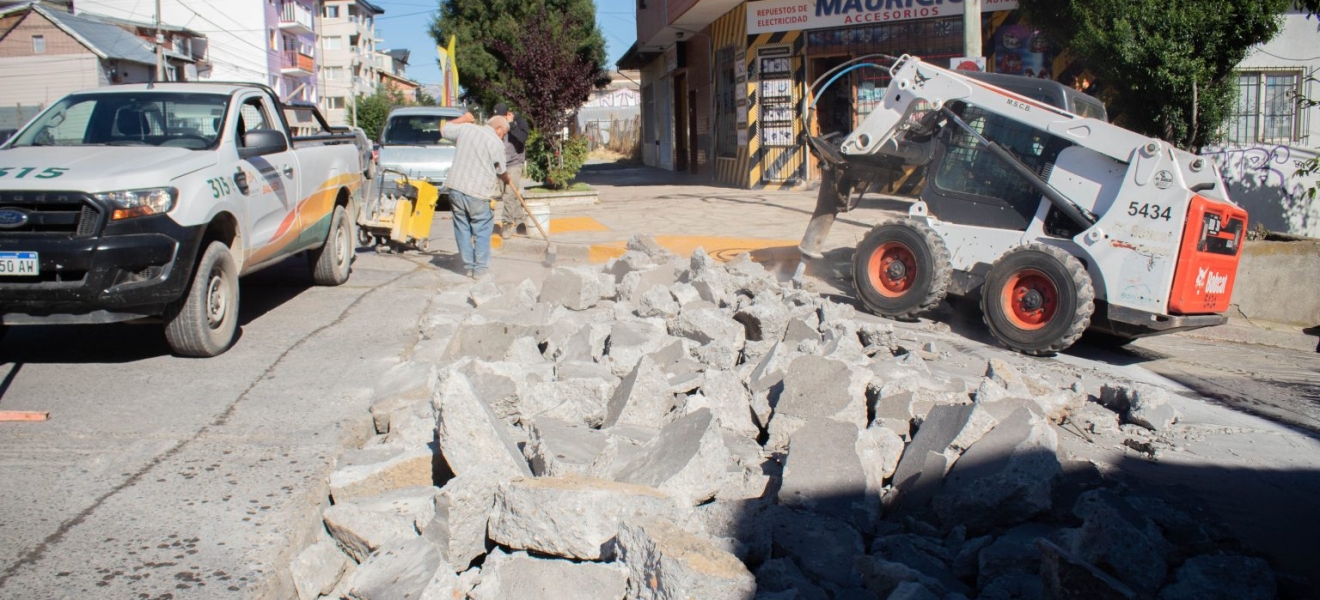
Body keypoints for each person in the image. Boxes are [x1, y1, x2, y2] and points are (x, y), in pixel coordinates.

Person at [440, 110, 510, 279]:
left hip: (456, 188)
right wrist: (507, 179)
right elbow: (501, 170)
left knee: (462, 228)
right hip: (477, 193)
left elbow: (444, 129)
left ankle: (468, 266)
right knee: (482, 229)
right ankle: (479, 270)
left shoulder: (466, 129)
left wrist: (463, 119)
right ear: (499, 129)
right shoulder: (495, 142)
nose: (503, 137)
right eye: (504, 134)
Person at [494, 102, 531, 235]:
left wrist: (510, 124)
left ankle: (507, 223)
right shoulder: (495, 123)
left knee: (509, 194)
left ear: (508, 114)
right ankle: (520, 221)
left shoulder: (519, 121)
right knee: (508, 195)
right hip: (500, 163)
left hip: (515, 163)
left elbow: (523, 137)